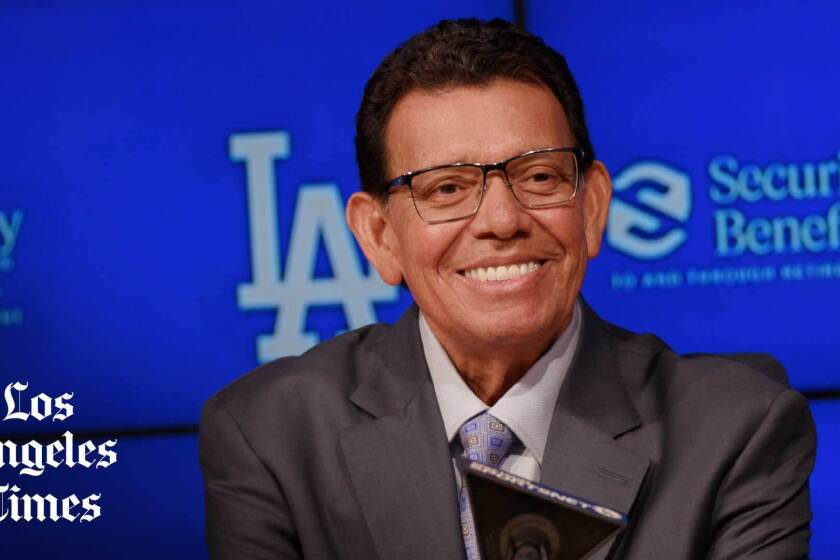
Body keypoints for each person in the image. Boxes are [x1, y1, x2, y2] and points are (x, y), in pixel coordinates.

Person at [199, 18, 815, 560]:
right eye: (446, 188)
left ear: (594, 207)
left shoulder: (734, 430)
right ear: (379, 234)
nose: (501, 219)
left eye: (540, 176)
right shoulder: (271, 435)